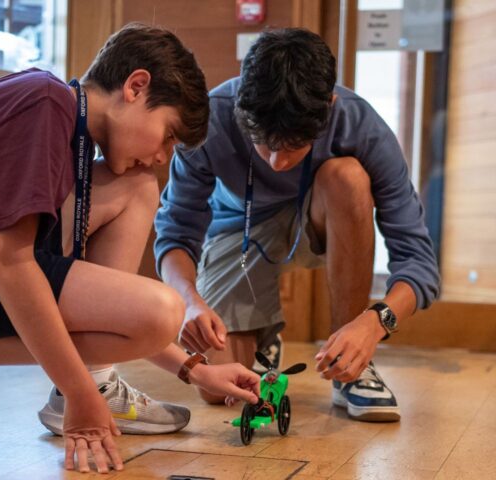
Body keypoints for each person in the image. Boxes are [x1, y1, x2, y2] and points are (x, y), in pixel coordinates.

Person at [0, 23, 260, 473]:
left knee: (139, 185)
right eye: (168, 134)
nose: (166, 154)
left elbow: (107, 310)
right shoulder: (45, 103)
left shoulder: (67, 127)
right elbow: (9, 262)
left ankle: (96, 379)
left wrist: (197, 371)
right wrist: (81, 401)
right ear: (136, 86)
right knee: (163, 310)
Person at [154, 28, 440, 423]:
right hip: (238, 231)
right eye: (262, 142)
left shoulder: (360, 124)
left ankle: (350, 364)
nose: (274, 161)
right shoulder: (213, 115)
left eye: (292, 147)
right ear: (241, 107)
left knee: (348, 178)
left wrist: (373, 323)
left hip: (322, 220)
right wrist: (189, 301)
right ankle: (263, 331)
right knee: (218, 389)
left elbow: (419, 265)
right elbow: (175, 233)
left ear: (329, 107)